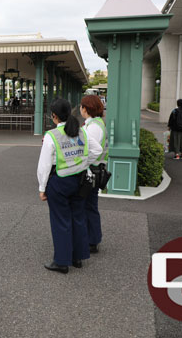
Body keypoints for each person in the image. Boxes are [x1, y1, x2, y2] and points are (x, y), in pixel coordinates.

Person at [37, 98, 102, 274]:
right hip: (79, 181)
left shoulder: (52, 136)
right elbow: (97, 150)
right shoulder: (82, 132)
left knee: (61, 221)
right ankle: (78, 257)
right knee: (78, 218)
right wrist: (82, 163)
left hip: (59, 183)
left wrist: (42, 189)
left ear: (54, 116)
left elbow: (44, 166)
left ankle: (61, 261)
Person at [79, 95, 108, 254]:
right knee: (89, 206)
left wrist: (81, 162)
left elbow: (92, 149)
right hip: (94, 170)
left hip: (91, 171)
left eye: (82, 106)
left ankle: (92, 240)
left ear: (87, 108)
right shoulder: (95, 123)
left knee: (88, 206)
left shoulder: (94, 127)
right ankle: (92, 239)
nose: (80, 109)